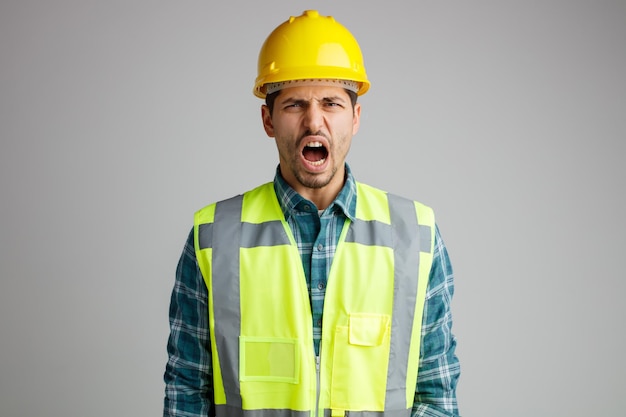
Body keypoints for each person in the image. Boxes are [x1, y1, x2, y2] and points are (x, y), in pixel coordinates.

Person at [164, 9, 461, 417]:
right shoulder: (215, 236)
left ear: (355, 118)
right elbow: (186, 394)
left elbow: (436, 395)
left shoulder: (416, 235)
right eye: (294, 104)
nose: (314, 121)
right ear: (268, 119)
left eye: (332, 103)